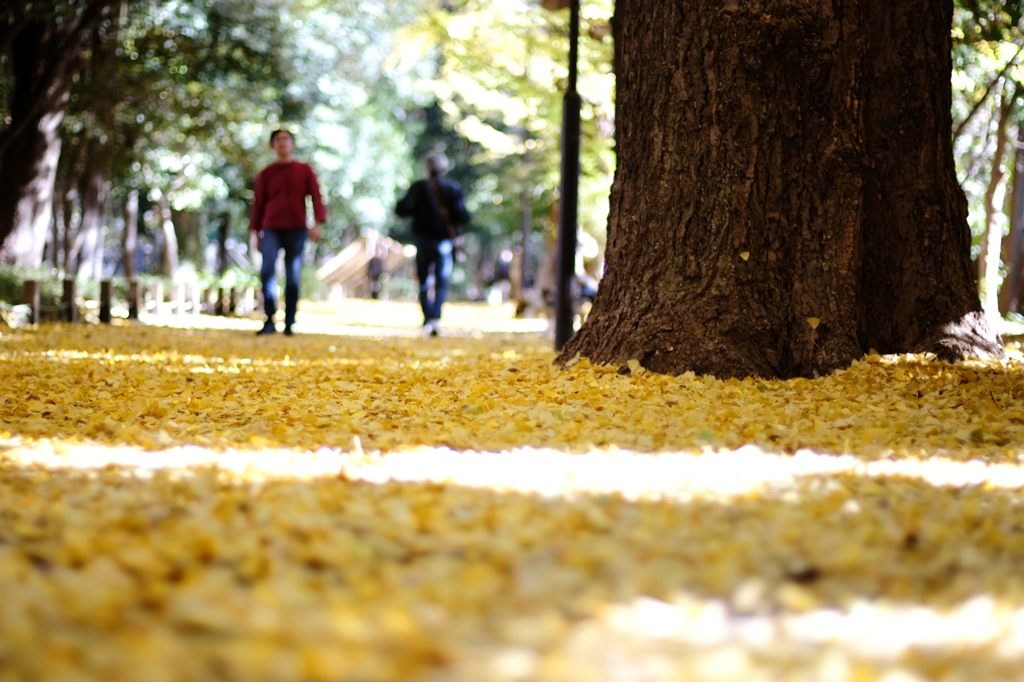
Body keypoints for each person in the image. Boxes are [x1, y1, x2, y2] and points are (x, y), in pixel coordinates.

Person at [250, 129, 326, 336]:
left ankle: (290, 321)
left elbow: (316, 197)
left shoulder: (304, 170)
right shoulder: (265, 174)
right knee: (267, 271)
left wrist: (318, 223)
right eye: (278, 140)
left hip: (297, 228)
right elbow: (258, 205)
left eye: (286, 139)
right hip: (270, 227)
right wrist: (256, 232)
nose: (282, 143)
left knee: (293, 276)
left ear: (292, 144)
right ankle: (269, 319)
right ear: (272, 145)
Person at [395, 152, 470, 336]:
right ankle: (436, 318)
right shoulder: (453, 187)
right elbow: (463, 216)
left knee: (423, 279)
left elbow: (402, 209)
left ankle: (428, 318)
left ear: (427, 167)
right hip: (444, 240)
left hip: (423, 239)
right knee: (441, 280)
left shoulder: (419, 188)